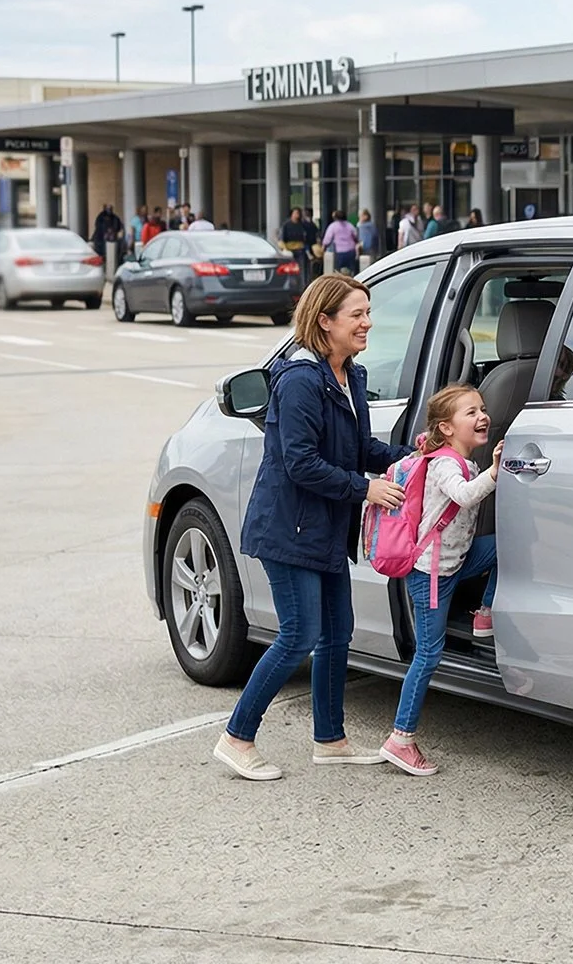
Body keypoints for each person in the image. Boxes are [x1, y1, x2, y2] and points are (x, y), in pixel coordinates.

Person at [214, 274, 411, 780]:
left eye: (368, 313)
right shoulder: (301, 379)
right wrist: (364, 489)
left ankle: (330, 739)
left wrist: (414, 458)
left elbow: (359, 449)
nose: (368, 323)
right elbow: (299, 462)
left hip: (323, 529)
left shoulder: (351, 375)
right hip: (289, 528)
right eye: (357, 315)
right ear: (325, 321)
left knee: (337, 633)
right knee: (298, 636)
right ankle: (237, 738)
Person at [381, 384, 504, 776]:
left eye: (482, 409)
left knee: (507, 546)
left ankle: (484, 612)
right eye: (470, 412)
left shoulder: (463, 461)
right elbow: (465, 496)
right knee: (428, 654)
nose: (482, 416)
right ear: (447, 429)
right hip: (430, 574)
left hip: (456, 562)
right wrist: (495, 473)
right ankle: (400, 739)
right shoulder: (445, 464)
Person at [322, 209, 360, 275]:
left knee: (338, 271)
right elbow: (355, 236)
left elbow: (327, 239)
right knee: (352, 270)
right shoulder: (350, 225)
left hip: (339, 252)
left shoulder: (333, 226)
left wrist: (324, 247)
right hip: (351, 251)